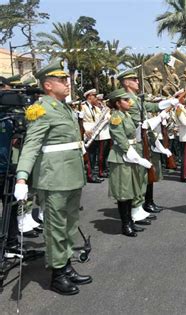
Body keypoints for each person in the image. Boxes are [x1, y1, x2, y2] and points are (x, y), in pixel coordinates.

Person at [13, 59, 92, 295]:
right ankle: (57, 274)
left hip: (71, 175)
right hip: (54, 177)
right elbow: (31, 144)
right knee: (56, 226)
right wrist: (21, 177)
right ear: (48, 85)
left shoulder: (64, 107)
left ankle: (66, 266)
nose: (67, 83)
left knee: (69, 225)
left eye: (66, 79)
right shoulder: (41, 109)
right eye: (62, 80)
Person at [106, 88, 153, 237]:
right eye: (126, 100)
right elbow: (120, 138)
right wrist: (136, 157)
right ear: (118, 103)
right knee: (123, 192)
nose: (129, 102)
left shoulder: (125, 115)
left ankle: (131, 221)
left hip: (130, 155)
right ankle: (125, 225)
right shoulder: (116, 117)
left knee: (131, 190)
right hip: (121, 157)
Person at [118, 69, 161, 221]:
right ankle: (137, 207)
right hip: (135, 142)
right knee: (137, 176)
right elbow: (136, 123)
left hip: (141, 141)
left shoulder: (136, 98)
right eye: (134, 79)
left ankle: (140, 206)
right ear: (126, 82)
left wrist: (172, 102)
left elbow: (152, 107)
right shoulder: (127, 99)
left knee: (142, 176)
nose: (138, 81)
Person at [80, 89, 104, 183]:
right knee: (89, 156)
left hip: (95, 134)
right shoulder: (82, 107)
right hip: (87, 134)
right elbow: (80, 121)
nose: (96, 98)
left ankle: (94, 174)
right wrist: (85, 130)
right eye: (94, 96)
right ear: (89, 96)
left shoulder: (96, 108)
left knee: (94, 155)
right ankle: (90, 175)